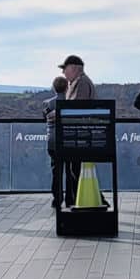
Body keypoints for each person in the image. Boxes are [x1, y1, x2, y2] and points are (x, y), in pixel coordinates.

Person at [59, 55, 97, 205]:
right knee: (74, 169)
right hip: (78, 134)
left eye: (65, 69)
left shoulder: (81, 83)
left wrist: (58, 113)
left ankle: (78, 200)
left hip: (79, 135)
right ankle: (77, 199)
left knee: (76, 169)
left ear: (74, 68)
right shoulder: (78, 82)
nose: (63, 73)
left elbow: (77, 108)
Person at [43, 75, 68, 208]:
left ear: (53, 88)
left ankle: (57, 198)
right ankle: (71, 197)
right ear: (67, 87)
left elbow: (44, 118)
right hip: (67, 140)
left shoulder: (47, 104)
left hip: (52, 141)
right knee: (70, 171)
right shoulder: (70, 102)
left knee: (56, 171)